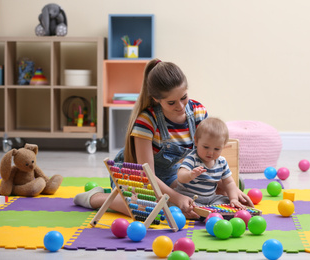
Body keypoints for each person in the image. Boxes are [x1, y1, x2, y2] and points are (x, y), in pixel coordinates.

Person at [74, 58, 252, 218]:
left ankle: (170, 199)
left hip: (174, 174)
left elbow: (208, 153)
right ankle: (97, 197)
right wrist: (176, 197)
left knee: (233, 185)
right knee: (149, 208)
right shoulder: (147, 120)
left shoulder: (198, 112)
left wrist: (231, 188)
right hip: (140, 176)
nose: (181, 106)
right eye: (172, 103)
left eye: (184, 97)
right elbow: (148, 174)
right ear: (157, 99)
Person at [176, 117, 250, 209]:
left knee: (226, 201)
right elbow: (180, 176)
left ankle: (211, 209)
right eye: (206, 147)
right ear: (196, 141)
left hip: (210, 198)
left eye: (217, 149)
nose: (210, 153)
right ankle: (203, 210)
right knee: (185, 206)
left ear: (223, 146)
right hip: (190, 197)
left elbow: (229, 182)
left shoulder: (221, 162)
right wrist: (190, 175)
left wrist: (233, 199)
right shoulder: (192, 158)